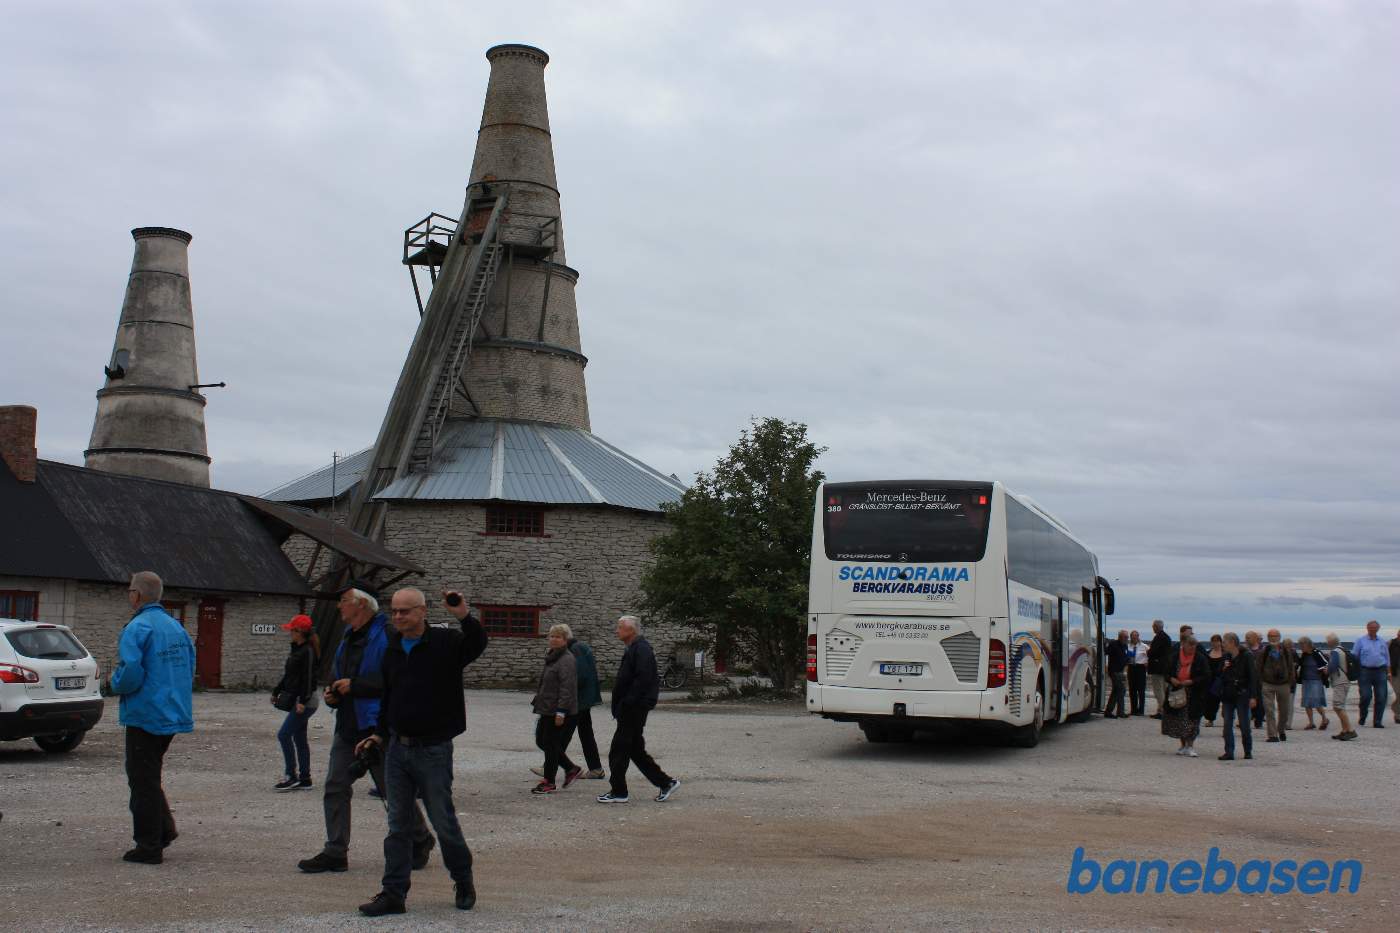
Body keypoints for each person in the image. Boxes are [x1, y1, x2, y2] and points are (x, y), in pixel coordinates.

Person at [355, 587, 488, 917]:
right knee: (397, 826)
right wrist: (377, 735)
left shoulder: (446, 644)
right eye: (395, 611)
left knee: (443, 823)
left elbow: (478, 642)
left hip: (433, 751)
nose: (399, 617)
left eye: (406, 611)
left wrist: (462, 613)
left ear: (423, 611)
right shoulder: (393, 649)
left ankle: (463, 879)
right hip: (398, 750)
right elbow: (389, 699)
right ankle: (393, 894)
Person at [298, 583, 433, 875]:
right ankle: (335, 851)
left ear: (361, 604)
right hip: (349, 722)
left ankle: (420, 839)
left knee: (391, 789)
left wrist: (356, 686)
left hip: (377, 724)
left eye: (344, 600)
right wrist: (333, 692)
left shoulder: (387, 634)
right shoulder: (348, 636)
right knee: (336, 784)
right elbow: (338, 673)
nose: (339, 606)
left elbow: (402, 677)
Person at [108, 571, 195, 864]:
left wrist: (114, 682)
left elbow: (131, 672)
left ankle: (148, 845)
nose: (128, 595)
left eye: (130, 590)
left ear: (137, 595)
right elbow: (188, 668)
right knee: (149, 774)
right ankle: (164, 830)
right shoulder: (176, 627)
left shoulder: (138, 628)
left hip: (145, 712)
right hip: (172, 712)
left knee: (141, 780)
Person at [597, 616, 681, 804]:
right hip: (631, 707)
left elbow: (643, 679)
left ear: (630, 630)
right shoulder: (633, 648)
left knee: (618, 750)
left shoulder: (641, 649)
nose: (617, 631)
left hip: (634, 708)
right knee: (635, 750)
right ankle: (666, 782)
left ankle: (619, 791)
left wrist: (628, 702)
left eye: (620, 627)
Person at [531, 623, 581, 795]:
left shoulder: (567, 659)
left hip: (558, 710)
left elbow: (567, 687)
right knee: (542, 741)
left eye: (558, 636)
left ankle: (549, 781)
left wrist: (561, 711)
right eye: (551, 636)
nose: (553, 639)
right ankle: (570, 768)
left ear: (565, 640)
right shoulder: (552, 655)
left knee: (551, 744)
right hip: (546, 707)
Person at [272, 614, 320, 791]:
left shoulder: (307, 651)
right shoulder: (297, 649)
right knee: (299, 738)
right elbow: (290, 676)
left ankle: (291, 775)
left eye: (292, 630)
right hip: (300, 700)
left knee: (284, 734)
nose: (289, 633)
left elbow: (308, 678)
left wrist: (302, 700)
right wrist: (277, 690)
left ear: (299, 631)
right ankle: (305, 778)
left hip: (305, 701)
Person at [1161, 634, 1209, 757]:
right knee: (1179, 720)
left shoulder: (1200, 658)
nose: (1192, 648)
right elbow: (1165, 672)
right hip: (1177, 692)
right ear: (1184, 645)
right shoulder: (1174, 657)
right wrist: (1172, 679)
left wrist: (1192, 681)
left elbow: (1206, 675)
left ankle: (1190, 746)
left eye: (1194, 646)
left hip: (1194, 694)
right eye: (1190, 646)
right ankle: (1183, 745)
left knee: (1193, 720)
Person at [1216, 633, 1259, 761]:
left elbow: (1253, 677)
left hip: (1242, 694)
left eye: (1225, 642)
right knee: (1227, 724)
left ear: (1232, 642)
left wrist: (1253, 696)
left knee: (1244, 724)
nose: (1222, 644)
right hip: (1228, 694)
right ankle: (1229, 752)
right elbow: (1218, 674)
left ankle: (1247, 751)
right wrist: (1223, 668)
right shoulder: (1225, 657)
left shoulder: (1247, 656)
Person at [1258, 629, 1295, 743]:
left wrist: (1291, 683)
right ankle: (1272, 735)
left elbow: (1291, 668)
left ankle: (1281, 729)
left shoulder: (1286, 651)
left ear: (1279, 637)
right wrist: (1260, 683)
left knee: (1284, 711)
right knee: (1269, 710)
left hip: (1284, 684)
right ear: (1268, 638)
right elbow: (1258, 668)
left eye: (1275, 636)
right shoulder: (1264, 652)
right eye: (1271, 636)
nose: (1273, 638)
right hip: (1267, 684)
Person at [1354, 619, 1389, 728]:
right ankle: (1363, 716)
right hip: (1365, 671)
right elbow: (1354, 656)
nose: (1373, 629)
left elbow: (1387, 658)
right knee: (1366, 696)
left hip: (1380, 671)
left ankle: (1377, 721)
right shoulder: (1360, 641)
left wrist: (1389, 672)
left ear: (1378, 629)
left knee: (1382, 697)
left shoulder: (1382, 641)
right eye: (1371, 628)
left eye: (1375, 628)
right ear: (1367, 628)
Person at [1326, 633, 1356, 741]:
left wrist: (1326, 671)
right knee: (1340, 706)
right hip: (1346, 680)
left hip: (1340, 681)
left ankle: (1350, 730)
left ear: (1330, 642)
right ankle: (1344, 731)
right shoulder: (1343, 650)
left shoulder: (1335, 652)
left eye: (1327, 641)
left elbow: (1333, 666)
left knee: (1338, 706)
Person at [1295, 637, 1329, 731]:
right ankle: (1311, 722)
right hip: (1306, 680)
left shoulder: (1317, 653)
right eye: (1300, 645)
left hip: (1316, 680)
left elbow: (1326, 663)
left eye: (1302, 645)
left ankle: (1324, 719)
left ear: (1308, 644)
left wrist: (1324, 671)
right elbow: (1299, 665)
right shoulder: (1304, 655)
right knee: (1307, 703)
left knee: (1317, 702)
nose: (1301, 647)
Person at [1146, 620, 1172, 719]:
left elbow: (1154, 652)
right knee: (1163, 689)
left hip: (1158, 668)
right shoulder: (1166, 637)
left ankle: (1162, 711)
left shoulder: (1159, 637)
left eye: (1153, 626)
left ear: (1157, 627)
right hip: (1164, 668)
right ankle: (1162, 710)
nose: (1153, 628)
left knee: (1158, 690)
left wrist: (1148, 652)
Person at [1103, 630, 1129, 718]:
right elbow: (1106, 652)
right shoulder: (1113, 644)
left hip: (1121, 671)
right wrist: (1103, 643)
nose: (1127, 639)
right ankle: (1118, 712)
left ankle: (1112, 711)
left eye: (1127, 637)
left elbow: (1125, 657)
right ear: (1120, 637)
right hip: (1114, 671)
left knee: (1117, 691)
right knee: (1120, 689)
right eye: (1125, 637)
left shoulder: (1125, 646)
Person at [1201, 635, 1225, 727]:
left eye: (1217, 641)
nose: (1215, 643)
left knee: (1225, 701)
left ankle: (1227, 719)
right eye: (1213, 641)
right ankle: (1210, 719)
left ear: (1220, 642)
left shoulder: (1225, 653)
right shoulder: (1208, 653)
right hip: (1210, 680)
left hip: (1222, 679)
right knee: (1211, 701)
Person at [1245, 631, 1267, 728]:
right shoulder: (1245, 649)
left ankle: (1258, 720)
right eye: (1246, 638)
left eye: (1248, 637)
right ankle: (1246, 719)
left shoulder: (1263, 650)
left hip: (1260, 679)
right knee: (1246, 699)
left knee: (1260, 701)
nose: (1247, 639)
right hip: (1247, 679)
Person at [1127, 630, 1149, 717]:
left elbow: (1151, 655)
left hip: (1141, 668)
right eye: (1133, 636)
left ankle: (1141, 710)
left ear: (1138, 637)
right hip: (1131, 668)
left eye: (1136, 636)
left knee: (1141, 690)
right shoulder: (1128, 646)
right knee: (1132, 690)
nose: (1134, 638)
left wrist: (1147, 662)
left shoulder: (1144, 646)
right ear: (1131, 637)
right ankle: (1133, 709)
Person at [1390, 628, 1400, 725]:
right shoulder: (1391, 643)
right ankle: (1397, 714)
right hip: (1395, 672)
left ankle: (1398, 715)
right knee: (1397, 693)